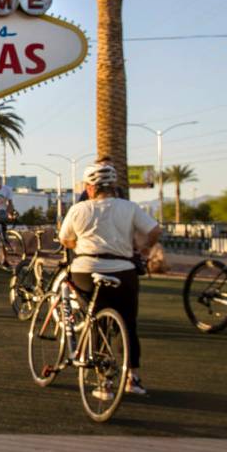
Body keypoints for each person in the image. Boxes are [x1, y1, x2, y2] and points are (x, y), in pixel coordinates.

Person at [59, 162, 161, 396]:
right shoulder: (129, 207)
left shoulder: (79, 209)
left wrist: (79, 244)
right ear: (113, 186)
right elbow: (155, 231)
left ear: (90, 188)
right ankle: (132, 378)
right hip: (123, 270)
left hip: (86, 269)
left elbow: (65, 239)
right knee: (128, 323)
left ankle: (103, 381)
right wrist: (144, 250)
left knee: (97, 321)